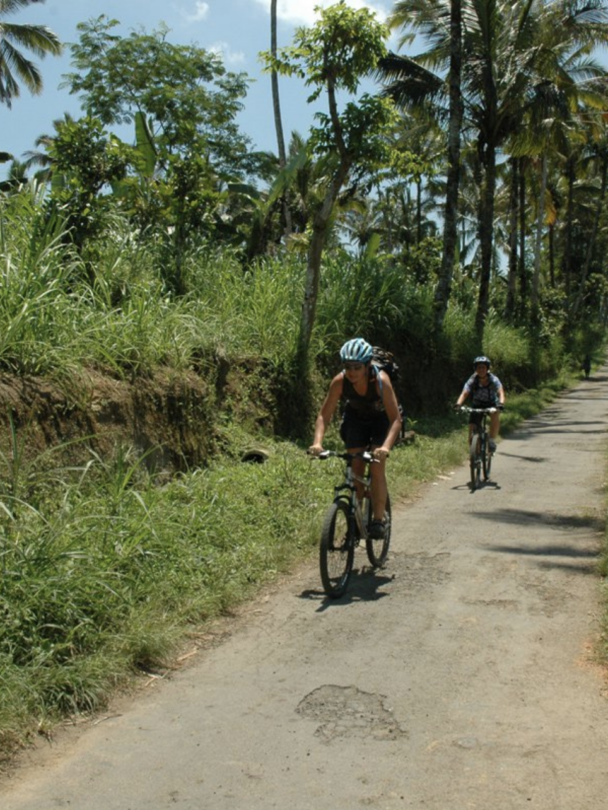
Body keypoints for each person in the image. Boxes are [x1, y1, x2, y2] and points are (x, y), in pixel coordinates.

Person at [308, 338, 402, 539]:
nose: (352, 372)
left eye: (357, 367)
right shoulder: (340, 382)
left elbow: (396, 420)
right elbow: (324, 415)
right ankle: (355, 519)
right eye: (348, 367)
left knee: (376, 466)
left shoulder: (381, 381)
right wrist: (317, 442)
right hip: (356, 419)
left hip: (381, 420)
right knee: (355, 466)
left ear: (367, 366)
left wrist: (385, 448)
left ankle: (378, 520)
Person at [455, 356, 505, 453]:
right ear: (476, 369)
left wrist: (501, 404)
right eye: (479, 367)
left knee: (495, 415)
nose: (481, 370)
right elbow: (464, 393)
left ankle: (491, 440)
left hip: (491, 403)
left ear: (487, 368)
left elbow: (501, 392)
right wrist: (458, 404)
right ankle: (475, 457)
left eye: (483, 367)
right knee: (471, 432)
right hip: (477, 404)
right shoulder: (473, 379)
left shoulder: (493, 379)